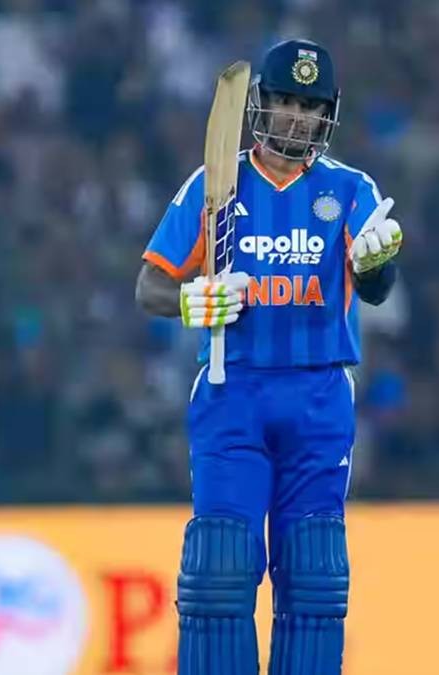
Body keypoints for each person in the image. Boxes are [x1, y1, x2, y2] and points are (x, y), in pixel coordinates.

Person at [135, 39, 402, 675]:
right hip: (233, 391)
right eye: (286, 102)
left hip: (319, 396)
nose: (296, 118)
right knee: (221, 568)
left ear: (327, 114)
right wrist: (194, 300)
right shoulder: (215, 186)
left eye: (310, 107)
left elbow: (377, 288)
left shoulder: (351, 188)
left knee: (312, 573)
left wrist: (375, 264)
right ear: (261, 104)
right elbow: (149, 286)